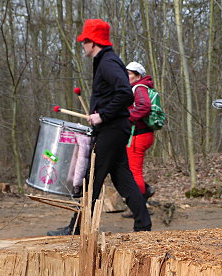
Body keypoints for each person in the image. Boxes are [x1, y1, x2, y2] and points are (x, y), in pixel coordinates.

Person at [47, 19, 151, 236]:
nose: (82, 46)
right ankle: (143, 224)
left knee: (91, 178)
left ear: (92, 42)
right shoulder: (105, 61)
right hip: (115, 129)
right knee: (123, 178)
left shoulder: (108, 62)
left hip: (112, 129)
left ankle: (76, 227)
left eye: (83, 42)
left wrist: (102, 116)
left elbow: (124, 92)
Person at [121, 61, 156, 219]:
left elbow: (144, 106)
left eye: (129, 73)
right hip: (141, 135)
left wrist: (127, 118)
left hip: (139, 135)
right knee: (131, 170)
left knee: (134, 172)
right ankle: (145, 192)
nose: (126, 76)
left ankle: (139, 207)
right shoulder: (140, 87)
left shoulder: (139, 87)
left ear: (138, 76)